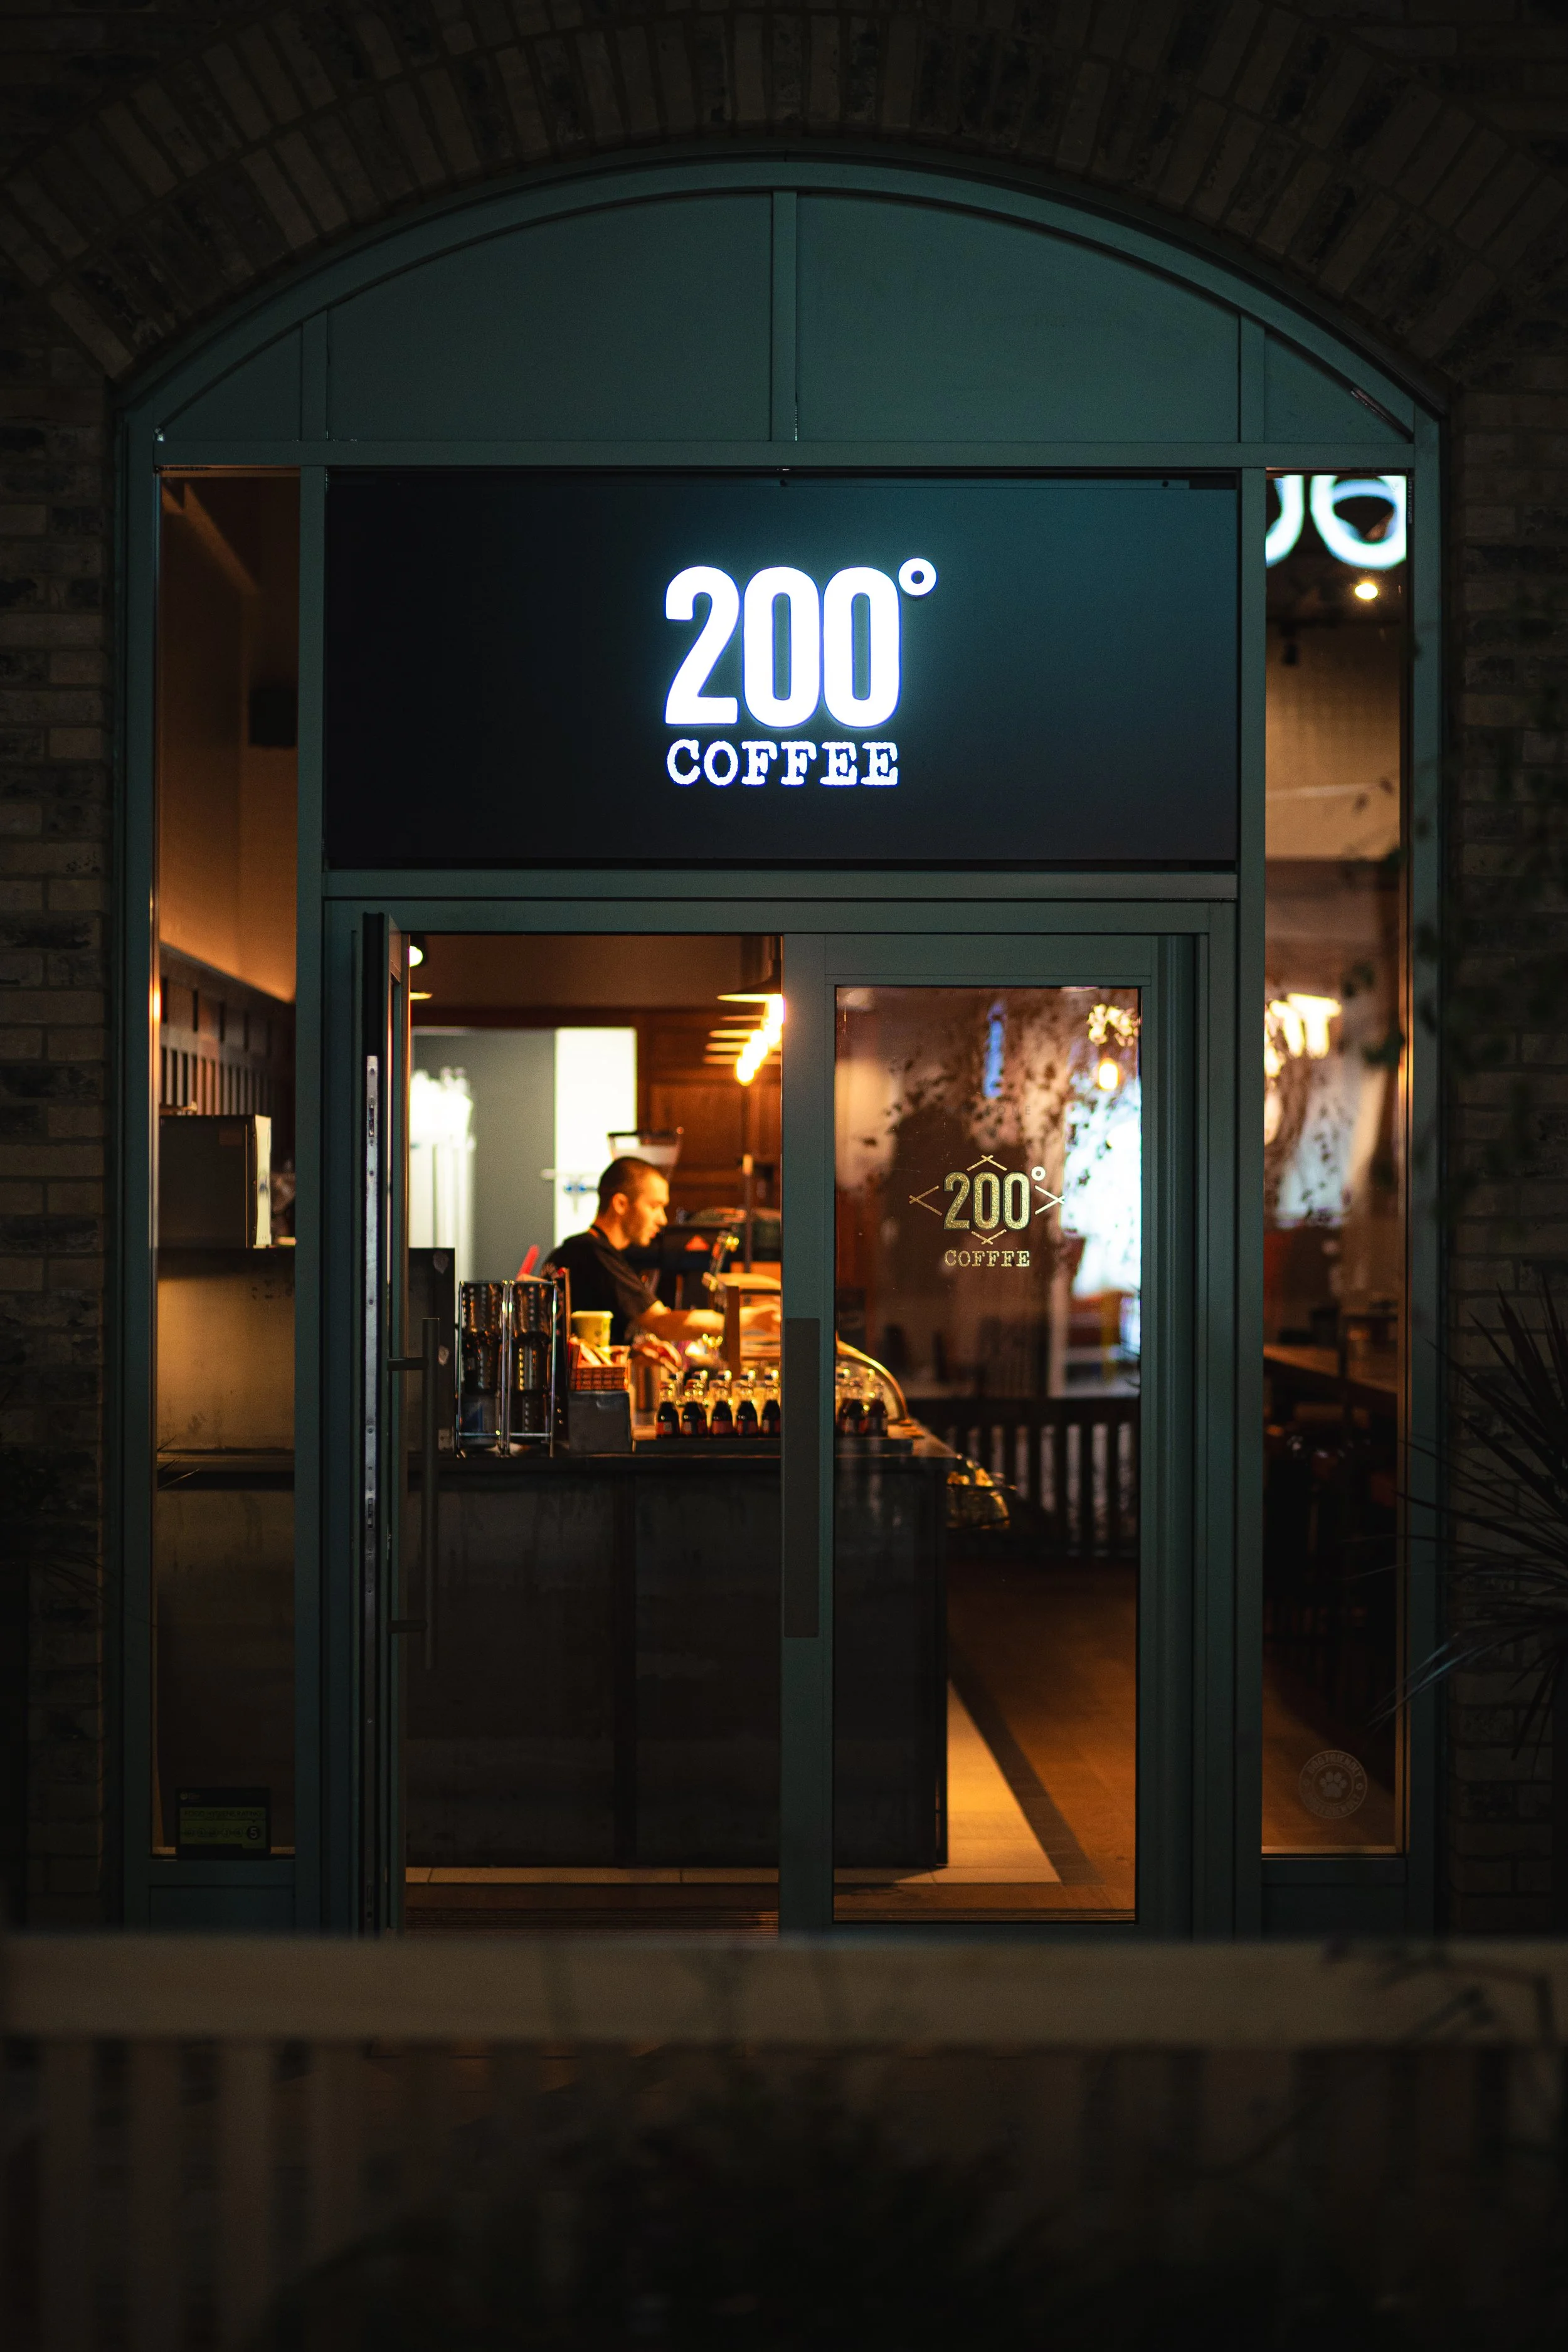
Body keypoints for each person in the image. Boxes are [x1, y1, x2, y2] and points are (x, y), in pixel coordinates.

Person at [544, 1157, 722, 1358]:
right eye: (654, 1206)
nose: (662, 1219)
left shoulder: (571, 1251)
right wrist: (744, 1321)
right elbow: (663, 1323)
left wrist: (632, 1353)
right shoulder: (594, 1254)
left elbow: (585, 1342)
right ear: (621, 1204)